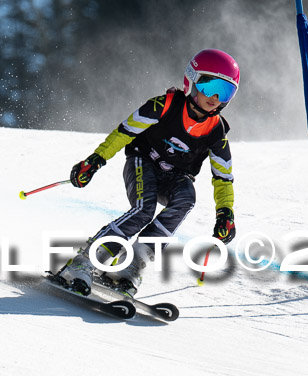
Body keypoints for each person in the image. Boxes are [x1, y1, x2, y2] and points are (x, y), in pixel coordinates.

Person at [57, 48, 240, 297]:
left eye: (226, 91)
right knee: (144, 209)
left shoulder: (217, 131)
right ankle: (87, 260)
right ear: (192, 81)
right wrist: (95, 160)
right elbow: (125, 132)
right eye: (209, 87)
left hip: (176, 176)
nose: (215, 97)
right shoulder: (164, 106)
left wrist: (225, 213)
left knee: (186, 198)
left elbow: (223, 177)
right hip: (143, 161)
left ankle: (131, 265)